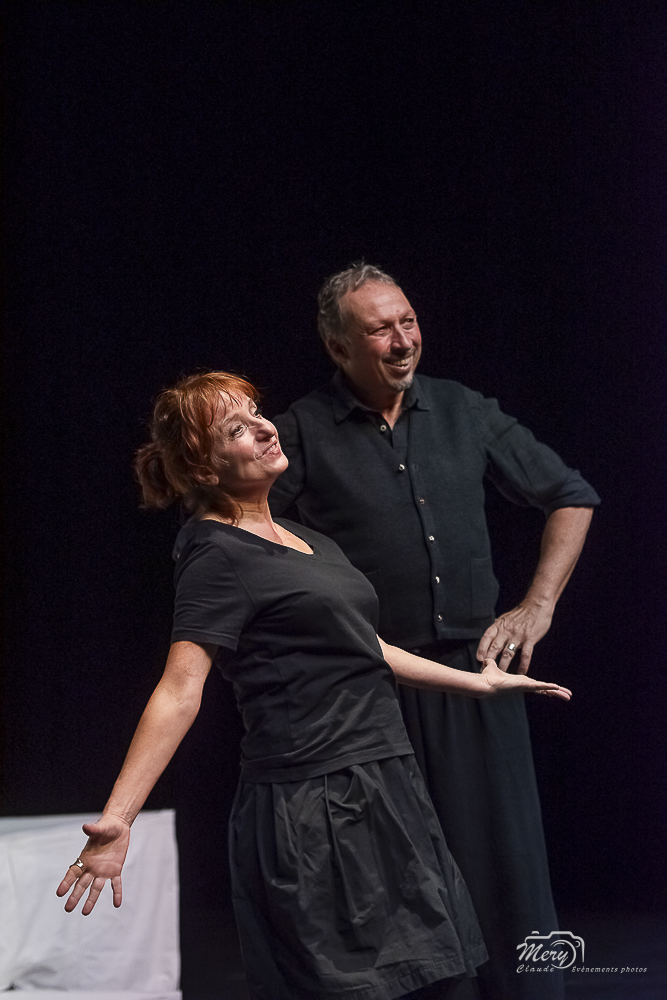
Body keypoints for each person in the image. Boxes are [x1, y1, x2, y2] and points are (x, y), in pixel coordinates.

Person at [57, 372, 572, 1000]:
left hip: (387, 785)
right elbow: (180, 689)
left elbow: (368, 647)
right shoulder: (216, 555)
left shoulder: (307, 541)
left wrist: (477, 684)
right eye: (237, 429)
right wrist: (117, 820)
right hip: (315, 805)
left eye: (256, 411)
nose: (265, 428)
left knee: (442, 980)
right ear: (204, 469)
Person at [268, 264, 600, 1000]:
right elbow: (244, 533)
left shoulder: (460, 409)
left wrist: (538, 605)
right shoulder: (300, 433)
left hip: (481, 680)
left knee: (508, 868)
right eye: (379, 330)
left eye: (408, 322)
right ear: (337, 347)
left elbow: (569, 495)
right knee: (404, 876)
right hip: (374, 693)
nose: (402, 341)